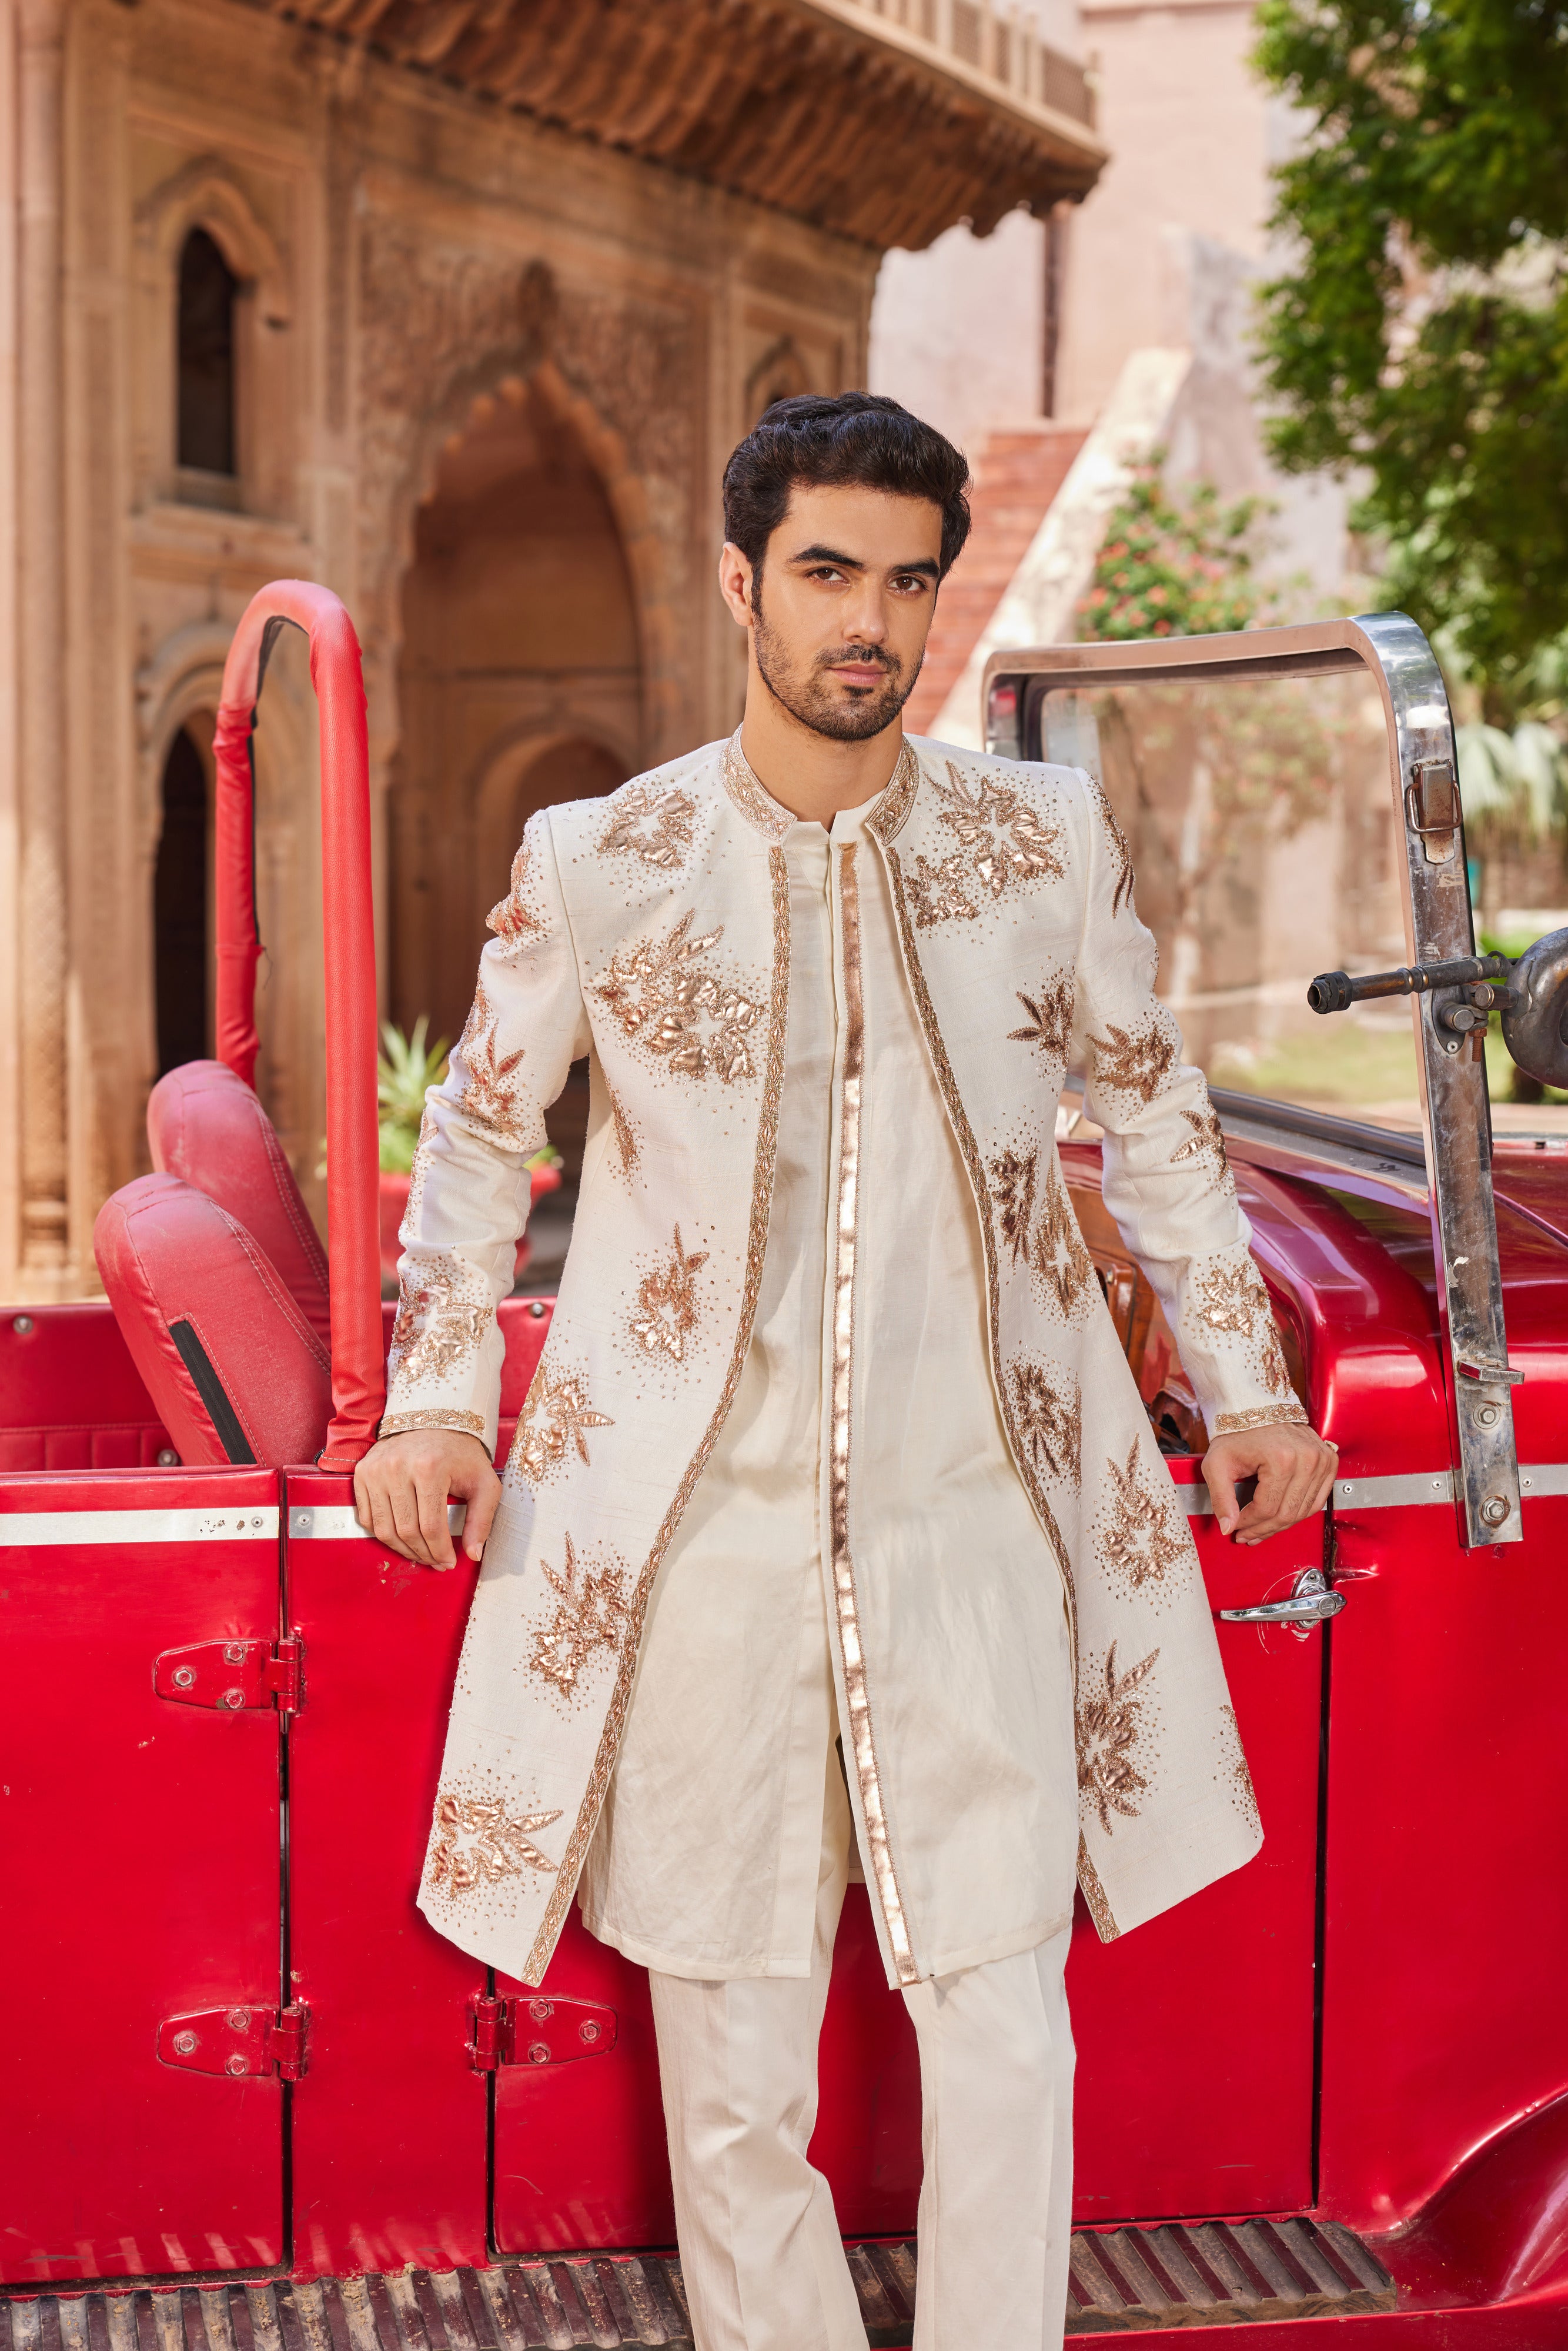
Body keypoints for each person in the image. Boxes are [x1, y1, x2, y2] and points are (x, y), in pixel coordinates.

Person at [353, 391, 1337, 2350]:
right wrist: (437, 1400)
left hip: (969, 1520)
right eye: (824, 573)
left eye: (904, 581)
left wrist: (1246, 1388)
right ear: (742, 586)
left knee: (1003, 2026)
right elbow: (475, 1135)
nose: (865, 622)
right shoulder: (606, 858)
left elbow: (1151, 1117)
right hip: (699, 1542)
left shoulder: (1035, 843)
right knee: (733, 2079)